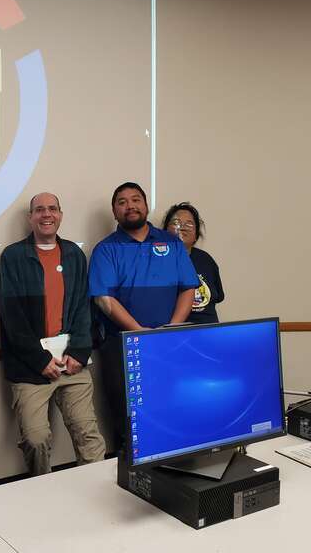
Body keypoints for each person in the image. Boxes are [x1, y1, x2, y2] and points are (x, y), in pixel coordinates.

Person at [0, 192, 106, 475]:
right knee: (36, 439)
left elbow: (84, 307)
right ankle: (40, 492)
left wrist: (80, 352)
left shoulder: (74, 254)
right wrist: (39, 359)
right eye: (40, 209)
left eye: (53, 209)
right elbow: (12, 318)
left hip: (73, 362)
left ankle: (95, 496)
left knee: (89, 437)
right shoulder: (13, 256)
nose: (47, 214)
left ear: (60, 214)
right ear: (30, 217)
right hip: (31, 367)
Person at [88, 182, 199, 449]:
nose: (130, 206)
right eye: (122, 202)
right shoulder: (106, 249)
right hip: (123, 344)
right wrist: (139, 332)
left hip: (168, 342)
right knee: (129, 419)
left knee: (173, 410)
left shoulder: (171, 243)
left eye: (136, 199)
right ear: (115, 212)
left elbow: (188, 288)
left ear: (146, 206)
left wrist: (171, 329)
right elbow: (104, 299)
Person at [162, 202, 225, 324]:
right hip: (176, 332)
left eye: (189, 224)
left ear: (196, 234)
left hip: (209, 331)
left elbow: (217, 297)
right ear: (164, 231)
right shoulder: (157, 261)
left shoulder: (206, 259)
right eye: (176, 223)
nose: (183, 227)